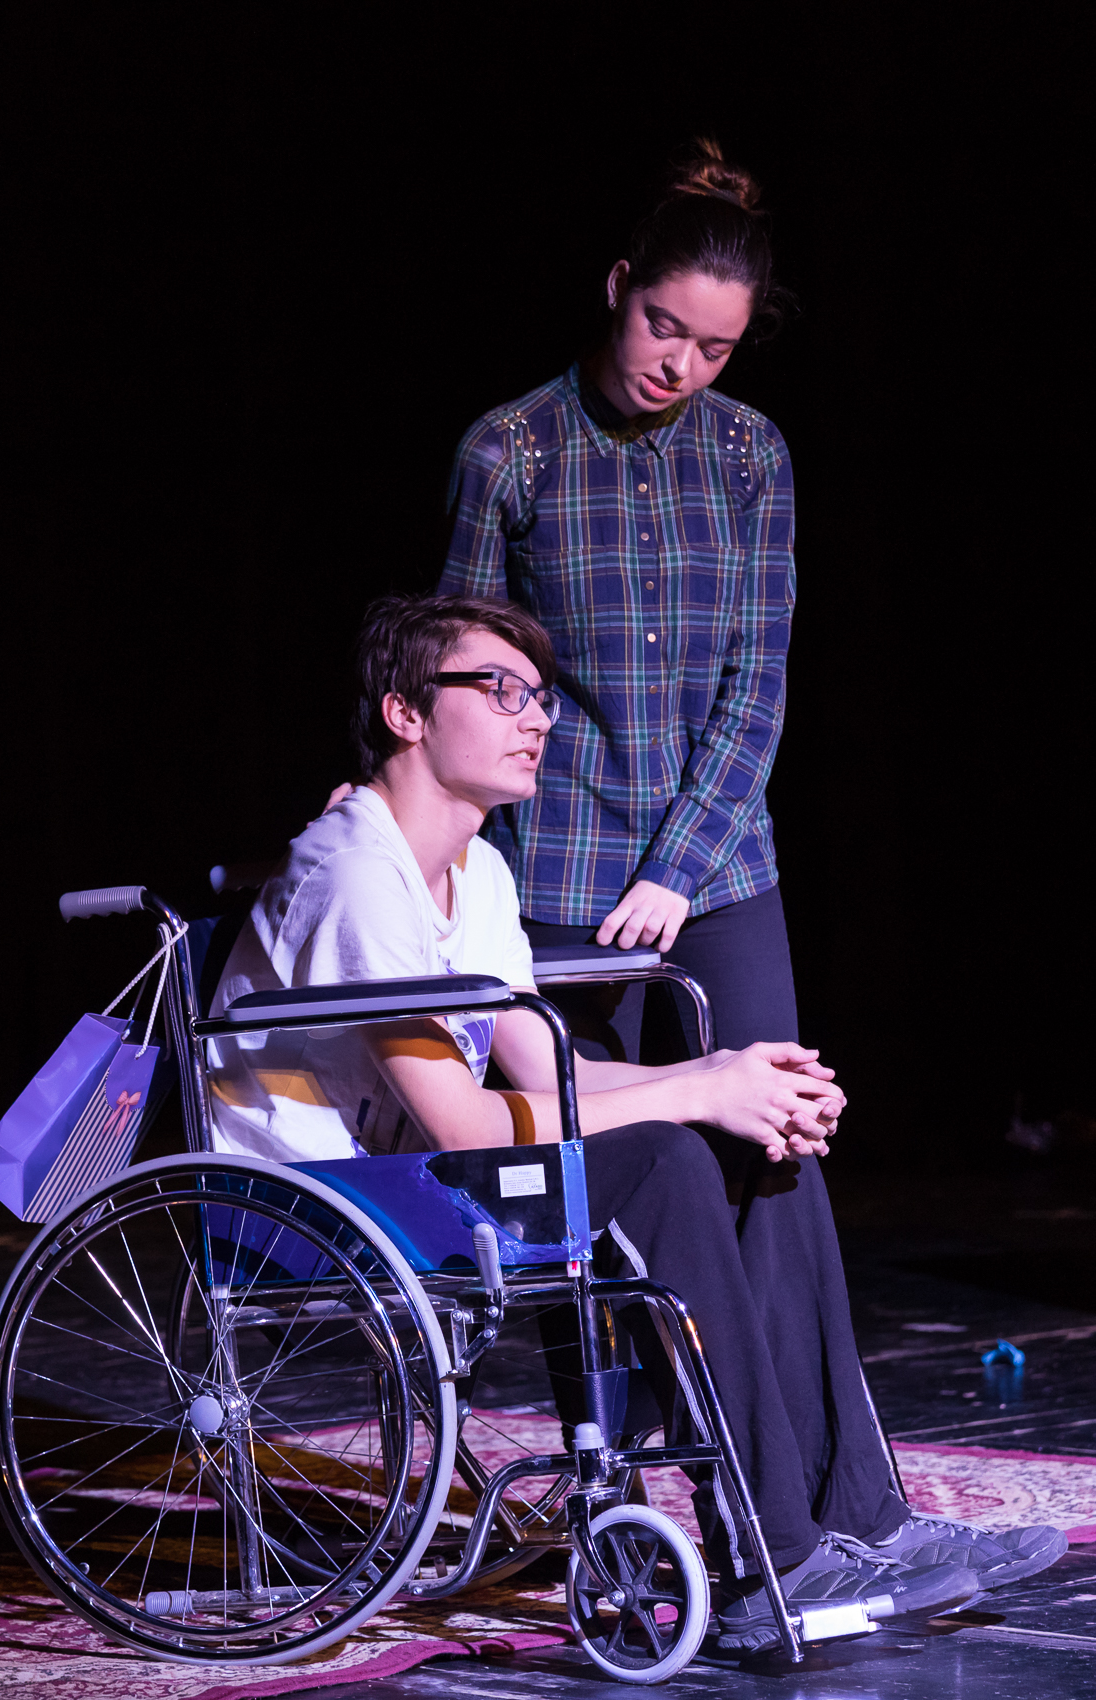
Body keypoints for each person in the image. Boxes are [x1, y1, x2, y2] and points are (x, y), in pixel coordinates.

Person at [210, 595, 1064, 1652]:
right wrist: (690, 1094)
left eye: (541, 697)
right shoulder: (357, 871)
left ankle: (859, 1515)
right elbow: (463, 1124)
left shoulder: (475, 867)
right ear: (405, 712)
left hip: (408, 1177)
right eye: (500, 690)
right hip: (312, 1206)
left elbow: (554, 1072)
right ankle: (770, 1561)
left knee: (752, 1143)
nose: (537, 718)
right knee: (661, 1154)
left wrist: (730, 1078)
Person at [436, 138, 801, 1066]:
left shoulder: (750, 455)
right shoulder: (511, 451)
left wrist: (678, 867)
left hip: (721, 866)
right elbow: (460, 676)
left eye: (714, 349)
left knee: (771, 1121)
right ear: (618, 287)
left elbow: (755, 685)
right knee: (602, 1135)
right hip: (561, 868)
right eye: (663, 326)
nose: (680, 366)